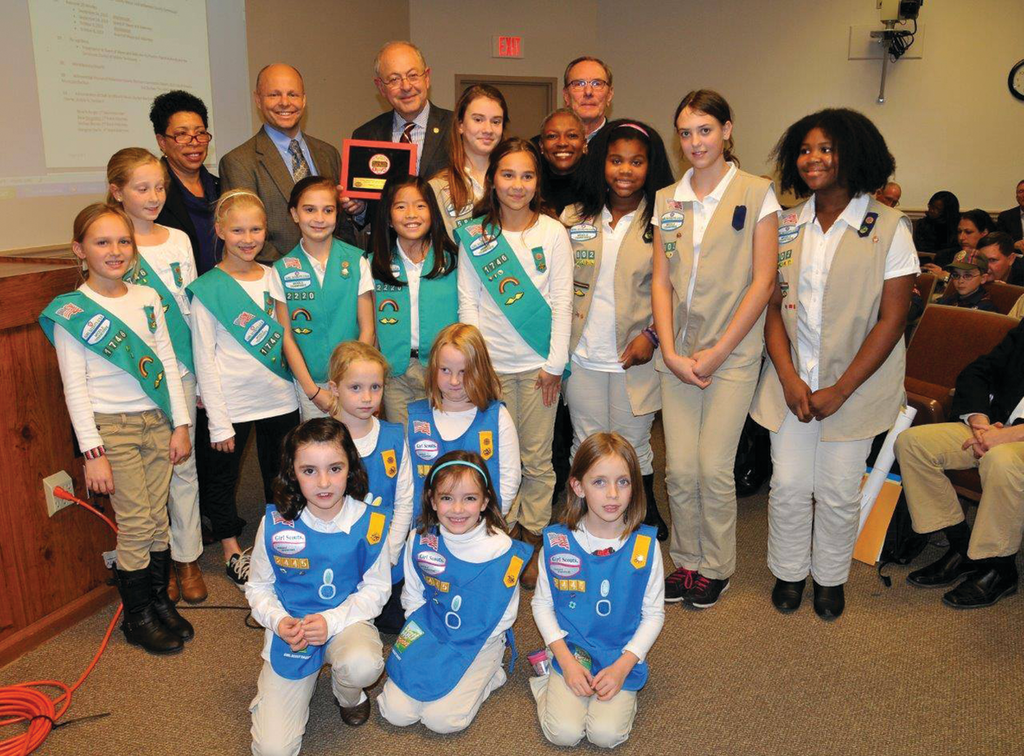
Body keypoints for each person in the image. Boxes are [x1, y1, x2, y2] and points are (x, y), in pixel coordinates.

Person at [750, 108, 919, 620]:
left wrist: (841, 390)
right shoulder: (785, 224)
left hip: (856, 386)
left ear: (855, 154)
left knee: (839, 491)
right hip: (792, 382)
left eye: (826, 149)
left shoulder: (889, 226)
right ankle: (789, 572)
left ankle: (829, 578)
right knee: (788, 486)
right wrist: (788, 378)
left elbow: (892, 320)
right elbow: (772, 307)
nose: (813, 159)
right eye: (805, 150)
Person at [40, 204, 193, 655]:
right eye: (102, 242)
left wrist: (181, 424)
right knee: (136, 523)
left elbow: (167, 361)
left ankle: (159, 601)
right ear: (79, 250)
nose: (116, 250)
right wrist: (94, 453)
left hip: (157, 421)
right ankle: (137, 616)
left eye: (124, 241)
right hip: (113, 429)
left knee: (159, 517)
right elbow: (74, 388)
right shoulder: (72, 312)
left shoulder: (146, 298)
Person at [651, 90, 779, 609]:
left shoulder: (757, 192)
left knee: (712, 467)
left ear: (727, 130)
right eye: (685, 133)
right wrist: (669, 350)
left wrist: (721, 351)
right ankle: (686, 559)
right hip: (678, 354)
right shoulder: (667, 199)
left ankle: (717, 566)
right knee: (679, 468)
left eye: (705, 130)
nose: (695, 142)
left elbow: (764, 282)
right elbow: (661, 281)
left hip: (733, 353)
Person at [457, 138, 573, 590]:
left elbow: (562, 302)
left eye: (527, 175)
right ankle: (498, 533)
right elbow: (469, 302)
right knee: (493, 457)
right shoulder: (476, 235)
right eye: (508, 175)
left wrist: (555, 364)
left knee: (538, 458)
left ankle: (533, 536)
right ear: (492, 180)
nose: (517, 185)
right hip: (492, 368)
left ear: (537, 182)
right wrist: (476, 365)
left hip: (540, 368)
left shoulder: (553, 232)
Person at [246, 418, 391, 755]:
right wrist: (279, 621)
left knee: (363, 664)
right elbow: (258, 588)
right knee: (273, 751)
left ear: (350, 469)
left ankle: (347, 695)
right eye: (309, 470)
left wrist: (330, 621)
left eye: (335, 468)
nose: (324, 482)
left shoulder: (371, 522)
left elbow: (377, 589)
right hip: (293, 632)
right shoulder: (274, 524)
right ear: (292, 472)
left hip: (345, 623)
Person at [561, 120, 675, 542]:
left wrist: (653, 335)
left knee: (633, 442)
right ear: (601, 164)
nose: (625, 170)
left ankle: (640, 510)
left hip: (636, 353)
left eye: (636, 162)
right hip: (583, 353)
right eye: (615, 160)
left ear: (650, 166)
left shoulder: (665, 220)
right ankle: (583, 511)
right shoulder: (574, 216)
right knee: (586, 440)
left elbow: (678, 288)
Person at [107, 147, 206, 604]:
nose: (153, 197)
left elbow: (191, 306)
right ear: (117, 192)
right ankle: (155, 561)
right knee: (148, 476)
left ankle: (187, 557)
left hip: (180, 367)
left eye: (160, 187)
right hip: (137, 377)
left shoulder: (179, 239)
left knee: (183, 466)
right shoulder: (114, 243)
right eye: (141, 188)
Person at [187, 189, 300, 589]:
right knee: (222, 479)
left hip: (278, 397)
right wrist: (218, 421)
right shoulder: (208, 289)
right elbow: (204, 358)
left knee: (280, 474)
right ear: (219, 230)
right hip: (231, 403)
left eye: (255, 229)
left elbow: (286, 336)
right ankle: (232, 549)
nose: (247, 239)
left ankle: (277, 540)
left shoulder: (273, 277)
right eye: (237, 230)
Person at [378, 451, 531, 733]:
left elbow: (504, 617)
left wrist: (458, 651)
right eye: (447, 498)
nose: (458, 509)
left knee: (442, 721)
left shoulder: (502, 551)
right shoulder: (420, 539)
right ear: (432, 500)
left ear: (485, 501)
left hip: (480, 640)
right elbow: (412, 595)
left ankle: (492, 674)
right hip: (432, 628)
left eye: (469, 498)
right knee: (395, 713)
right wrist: (428, 641)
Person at [530, 432, 664, 749]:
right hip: (572, 650)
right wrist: (566, 661)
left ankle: (617, 692)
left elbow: (654, 614)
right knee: (564, 734)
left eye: (623, 482)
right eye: (600, 482)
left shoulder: (645, 546)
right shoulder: (557, 543)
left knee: (605, 735)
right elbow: (542, 605)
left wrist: (623, 667)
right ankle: (546, 677)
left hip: (620, 653)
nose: (613, 494)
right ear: (578, 487)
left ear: (635, 487)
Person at [894, 320, 1024, 609]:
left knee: (1001, 460)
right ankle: (961, 545)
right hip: (995, 427)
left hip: (1014, 438)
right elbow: (978, 371)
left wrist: (1005, 437)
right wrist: (980, 423)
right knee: (912, 444)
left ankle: (999, 567)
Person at [220, 63, 352, 262]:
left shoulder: (328, 153)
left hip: (333, 269)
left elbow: (342, 224)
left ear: (304, 99)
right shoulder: (239, 162)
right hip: (275, 274)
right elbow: (246, 234)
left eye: (293, 94)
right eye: (274, 95)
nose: (284, 102)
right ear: (258, 100)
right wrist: (293, 271)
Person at [326, 340, 412, 633]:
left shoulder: (394, 437)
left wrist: (389, 556)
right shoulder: (319, 440)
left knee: (397, 623)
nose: (367, 397)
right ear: (335, 388)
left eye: (375, 387)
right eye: (355, 388)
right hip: (336, 558)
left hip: (385, 556)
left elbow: (404, 502)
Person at [272, 176, 375, 421]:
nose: (319, 218)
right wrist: (313, 391)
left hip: (354, 382)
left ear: (337, 214)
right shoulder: (282, 269)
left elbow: (368, 329)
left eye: (328, 210)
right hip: (310, 385)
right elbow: (286, 336)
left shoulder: (357, 261)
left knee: (357, 442)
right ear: (294, 214)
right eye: (309, 210)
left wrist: (355, 379)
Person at [406, 323, 521, 522]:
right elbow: (406, 484)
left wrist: (484, 524)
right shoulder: (417, 419)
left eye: (463, 372)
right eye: (445, 370)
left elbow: (510, 479)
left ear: (480, 371)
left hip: (481, 526)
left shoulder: (497, 418)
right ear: (433, 369)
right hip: (428, 529)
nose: (454, 381)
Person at [371, 176, 459, 427]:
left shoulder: (454, 261)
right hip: (395, 373)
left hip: (443, 371)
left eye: (420, 205)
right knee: (404, 443)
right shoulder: (373, 264)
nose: (411, 214)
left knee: (444, 440)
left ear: (433, 213)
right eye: (401, 206)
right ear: (389, 217)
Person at [353, 41, 453, 180]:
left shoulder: (457, 128)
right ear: (381, 87)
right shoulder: (365, 136)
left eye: (413, 76)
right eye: (394, 79)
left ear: (427, 78)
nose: (406, 86)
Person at [150, 90, 221, 274]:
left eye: (200, 133)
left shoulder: (222, 187)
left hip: (223, 286)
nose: (194, 142)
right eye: (182, 134)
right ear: (162, 142)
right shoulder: (153, 195)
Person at [428, 84, 508, 243]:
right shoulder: (438, 188)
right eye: (478, 119)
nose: (488, 129)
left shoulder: (515, 182)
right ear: (460, 125)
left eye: (496, 121)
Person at [538, 108, 588, 216]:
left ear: (584, 144)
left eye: (572, 135)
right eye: (552, 136)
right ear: (541, 145)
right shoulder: (531, 185)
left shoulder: (598, 183)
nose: (562, 143)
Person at [921, 208, 996, 275]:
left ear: (984, 233)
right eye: (959, 232)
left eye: (968, 232)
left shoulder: (992, 259)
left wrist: (945, 276)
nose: (961, 237)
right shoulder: (944, 257)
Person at [561, 57, 614, 142]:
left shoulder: (622, 145)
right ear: (566, 95)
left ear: (609, 95)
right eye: (579, 84)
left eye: (597, 84)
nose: (588, 92)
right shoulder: (543, 147)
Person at [912, 190, 959, 259]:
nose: (931, 210)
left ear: (947, 212)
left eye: (937, 209)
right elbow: (920, 250)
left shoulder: (958, 227)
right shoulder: (922, 224)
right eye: (930, 206)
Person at [995, 179, 1024, 247]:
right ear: (1016, 197)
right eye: (1021, 191)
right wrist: (1014, 245)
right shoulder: (1005, 217)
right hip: (1015, 252)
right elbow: (1000, 242)